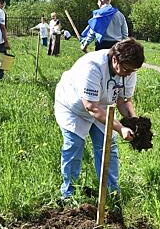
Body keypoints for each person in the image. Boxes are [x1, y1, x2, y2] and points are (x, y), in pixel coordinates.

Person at [54, 38, 145, 199]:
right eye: (126, 70)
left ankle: (112, 193)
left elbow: (124, 101)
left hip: (102, 108)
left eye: (132, 71)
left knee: (108, 148)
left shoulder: (128, 70)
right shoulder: (92, 67)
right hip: (74, 108)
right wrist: (121, 128)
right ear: (115, 59)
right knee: (74, 146)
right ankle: (68, 195)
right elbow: (91, 107)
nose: (129, 74)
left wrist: (134, 122)